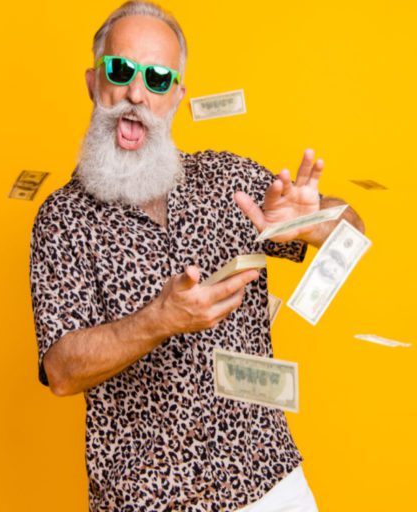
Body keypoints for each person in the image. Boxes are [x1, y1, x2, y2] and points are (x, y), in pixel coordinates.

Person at [28, 2, 365, 510]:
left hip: (267, 485)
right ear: (94, 83)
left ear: (179, 97)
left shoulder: (228, 180)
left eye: (158, 79)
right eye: (120, 71)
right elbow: (61, 370)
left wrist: (316, 220)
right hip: (147, 500)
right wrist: (158, 320)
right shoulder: (62, 219)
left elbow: (355, 231)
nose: (136, 94)